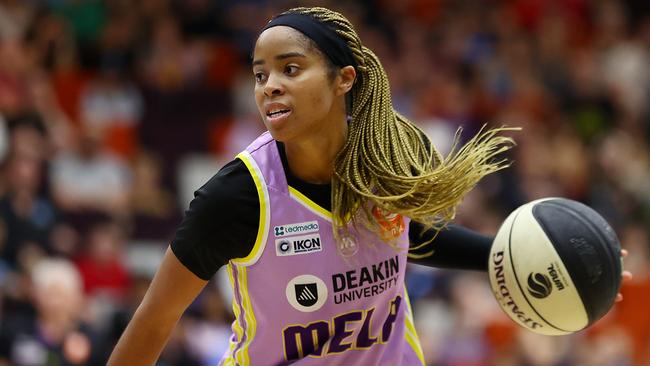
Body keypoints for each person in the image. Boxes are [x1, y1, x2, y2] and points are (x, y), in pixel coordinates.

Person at [108, 7, 630, 366]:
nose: (269, 85)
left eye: (291, 68)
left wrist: (520, 254)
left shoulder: (378, 159)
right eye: (260, 73)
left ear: (345, 79)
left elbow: (409, 235)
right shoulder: (237, 197)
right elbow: (155, 320)